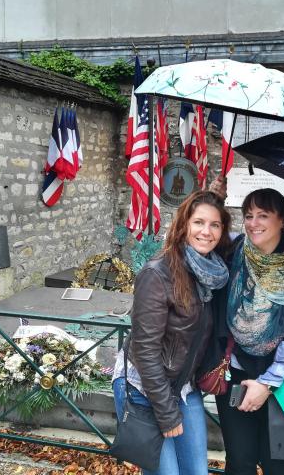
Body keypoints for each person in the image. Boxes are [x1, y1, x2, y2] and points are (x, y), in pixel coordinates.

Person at [112, 190, 231, 475]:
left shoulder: (212, 272)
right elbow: (145, 350)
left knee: (197, 471)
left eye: (215, 224)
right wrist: (166, 414)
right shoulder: (158, 273)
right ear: (183, 225)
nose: (206, 231)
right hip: (144, 386)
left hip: (183, 386)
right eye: (199, 222)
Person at [206, 187, 284, 475]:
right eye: (248, 216)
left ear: (281, 221)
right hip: (235, 371)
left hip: (283, 381)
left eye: (263, 216)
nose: (253, 223)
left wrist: (267, 384)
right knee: (240, 462)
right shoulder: (232, 251)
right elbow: (198, 231)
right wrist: (212, 198)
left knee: (277, 466)